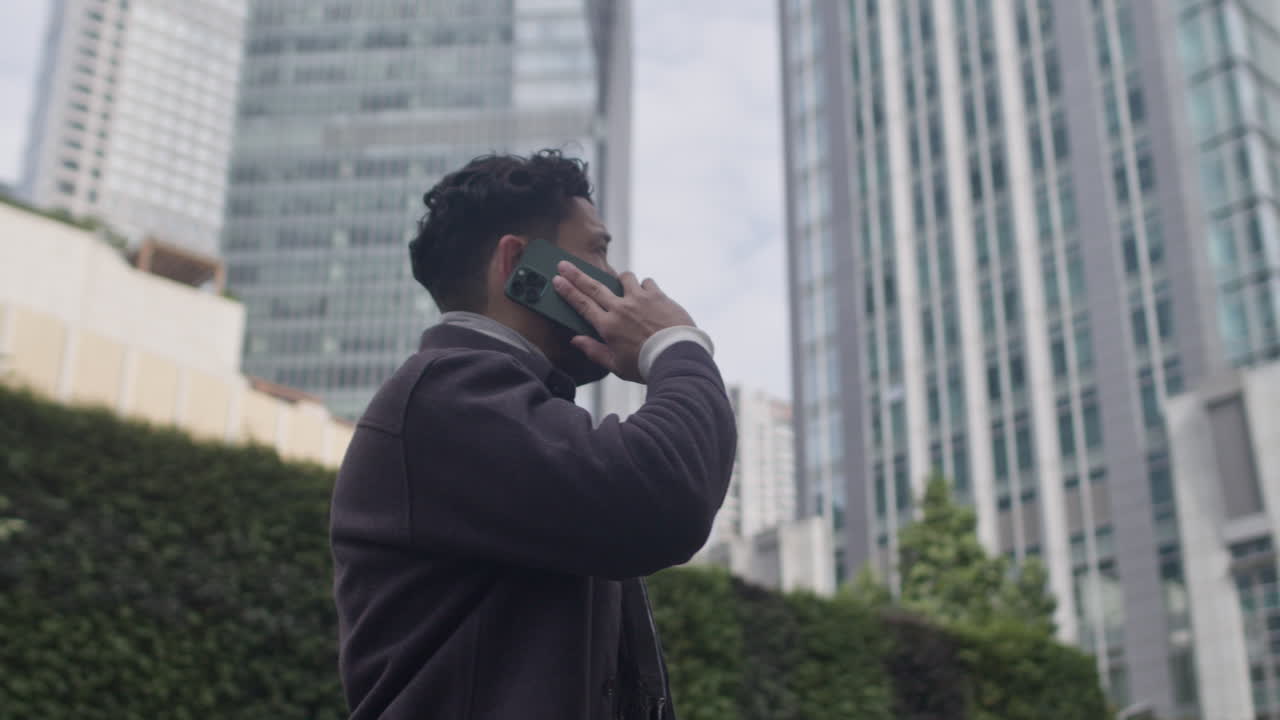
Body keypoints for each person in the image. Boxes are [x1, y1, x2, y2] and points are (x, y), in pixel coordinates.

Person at [330, 149, 737, 719]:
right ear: (520, 264)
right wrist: (676, 345)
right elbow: (664, 494)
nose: (623, 281)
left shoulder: (500, 408)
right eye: (597, 249)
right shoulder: (446, 394)